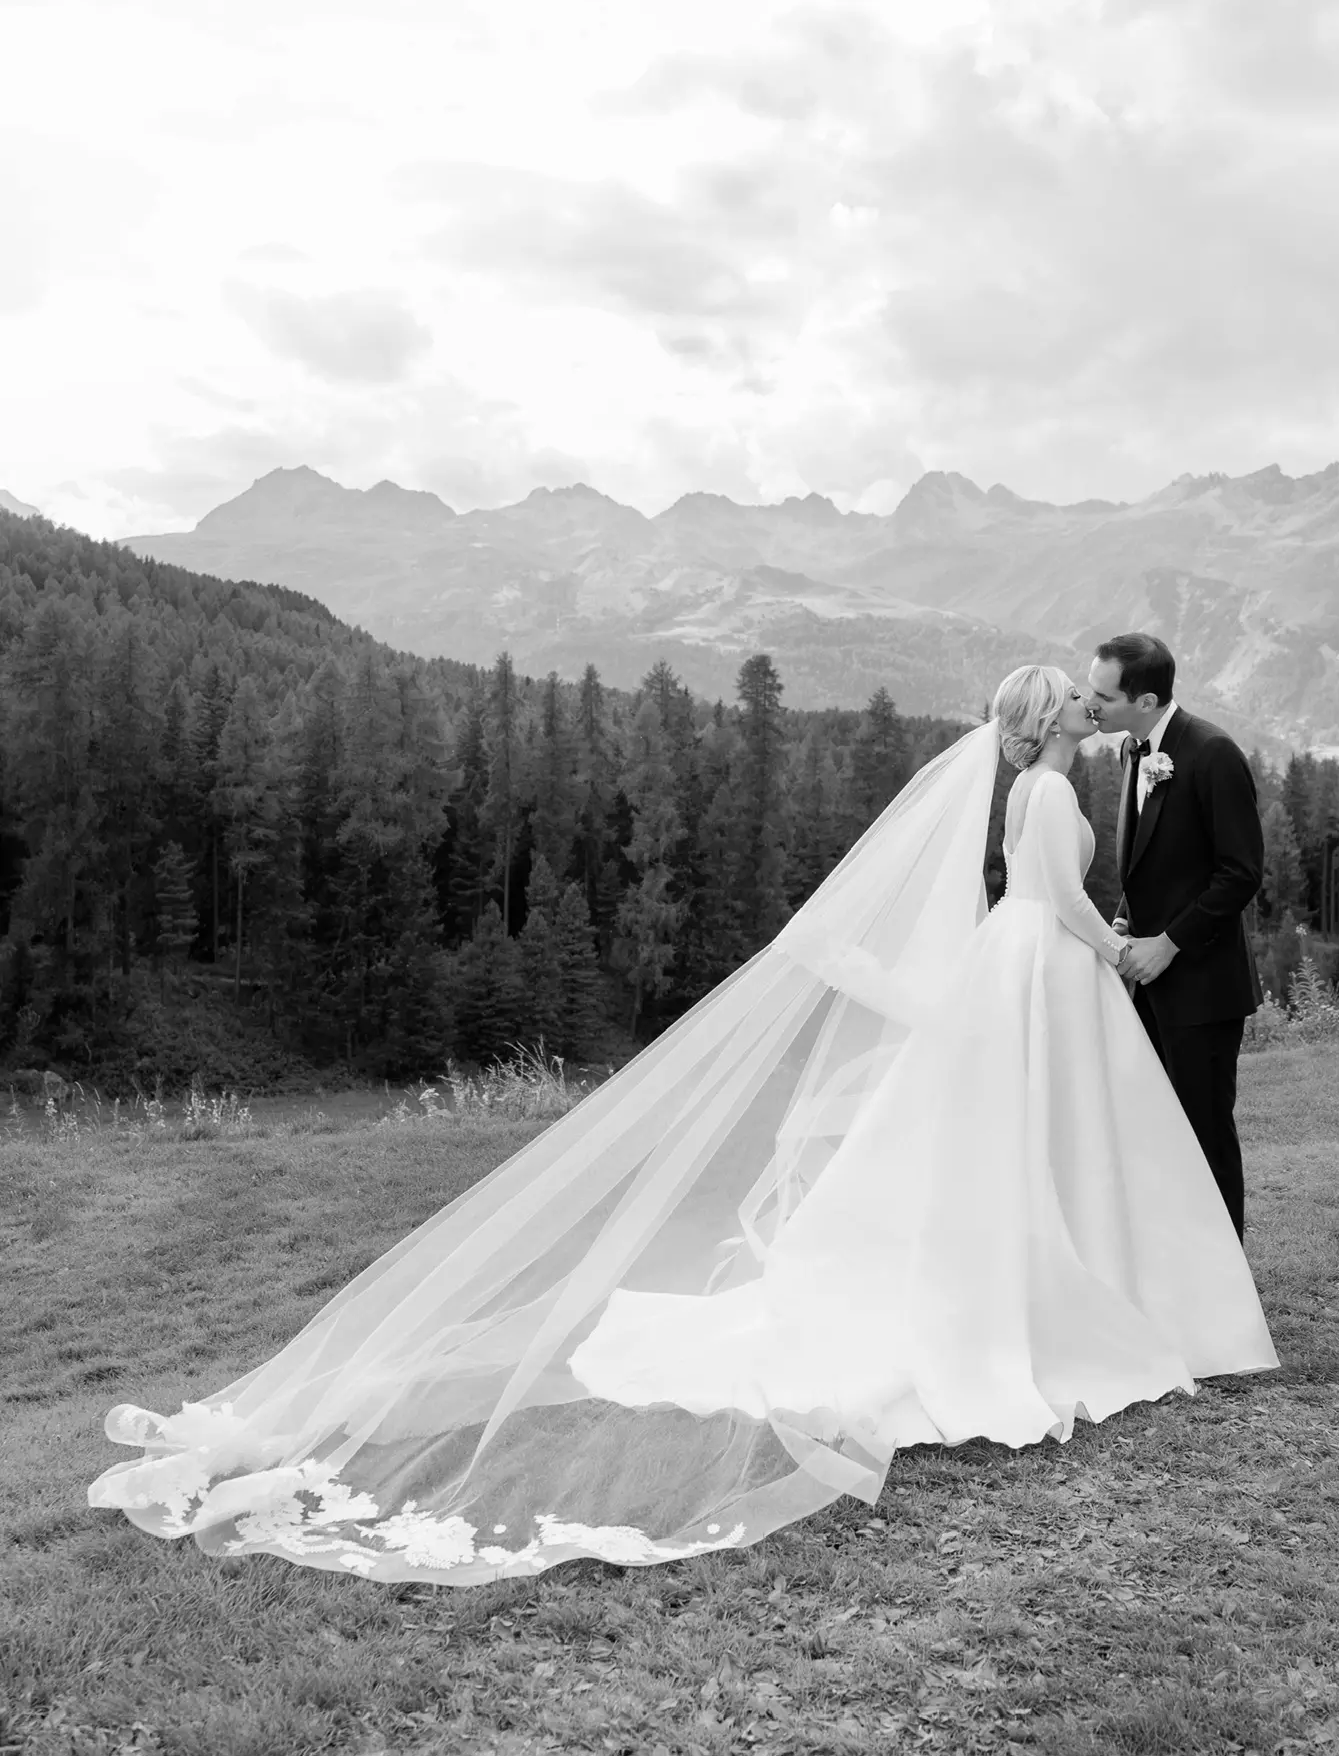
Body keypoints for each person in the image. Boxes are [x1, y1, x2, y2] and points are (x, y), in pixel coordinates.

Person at [90, 667, 1276, 1588]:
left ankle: (1065, 1273)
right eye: (1072, 698)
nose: (1087, 703)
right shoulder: (1049, 788)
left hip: (1029, 973)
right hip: (1048, 965)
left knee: (1027, 1148)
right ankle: (1061, 1292)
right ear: (1045, 721)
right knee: (1036, 1145)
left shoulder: (1035, 783)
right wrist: (1114, 949)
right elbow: (1057, 896)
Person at [1085, 634, 1264, 1239]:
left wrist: (1169, 943)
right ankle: (1178, 1268)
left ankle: (1225, 1285)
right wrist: (1127, 919)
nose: (1092, 705)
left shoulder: (1212, 753)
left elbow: (1240, 873)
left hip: (1204, 987)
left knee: (1205, 1133)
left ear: (1146, 699)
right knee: (1159, 1131)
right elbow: (1152, 860)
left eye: (1104, 696)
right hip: (1150, 987)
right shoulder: (1132, 751)